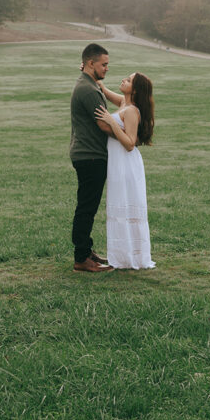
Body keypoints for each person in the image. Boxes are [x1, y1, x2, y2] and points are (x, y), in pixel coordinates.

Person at [95, 72, 156, 270]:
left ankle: (130, 257)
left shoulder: (131, 111)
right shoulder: (123, 102)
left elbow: (130, 143)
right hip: (118, 162)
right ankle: (122, 255)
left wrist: (111, 122)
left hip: (126, 163)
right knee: (119, 205)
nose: (123, 80)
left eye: (128, 80)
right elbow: (104, 90)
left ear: (135, 90)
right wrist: (92, 75)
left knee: (125, 206)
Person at [69, 44, 114, 273]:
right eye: (103, 64)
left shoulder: (89, 84)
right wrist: (130, 138)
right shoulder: (87, 90)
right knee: (86, 207)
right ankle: (81, 258)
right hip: (90, 156)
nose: (107, 68)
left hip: (89, 154)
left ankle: (86, 251)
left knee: (88, 206)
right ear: (90, 63)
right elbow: (104, 124)